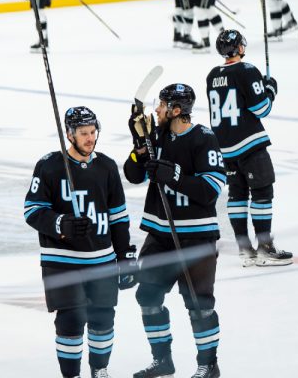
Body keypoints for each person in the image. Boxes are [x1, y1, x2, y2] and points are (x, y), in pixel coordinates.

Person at [24, 106, 137, 378]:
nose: (90, 138)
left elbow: (118, 218)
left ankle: (100, 370)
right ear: (69, 134)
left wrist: (126, 257)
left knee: (103, 319)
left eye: (93, 132)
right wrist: (60, 224)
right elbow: (32, 211)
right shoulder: (49, 165)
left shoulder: (107, 166)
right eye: (83, 133)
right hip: (62, 262)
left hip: (102, 260)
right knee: (71, 321)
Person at [125, 84, 224, 378]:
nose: (157, 110)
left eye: (162, 105)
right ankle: (163, 361)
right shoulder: (158, 136)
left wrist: (175, 175)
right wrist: (140, 146)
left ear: (176, 111)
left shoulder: (204, 139)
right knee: (148, 297)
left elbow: (210, 190)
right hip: (160, 235)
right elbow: (133, 175)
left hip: (197, 237)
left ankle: (208, 365)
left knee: (200, 305)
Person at [205, 29, 292, 266]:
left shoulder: (212, 75)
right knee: (262, 192)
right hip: (249, 144)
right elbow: (262, 108)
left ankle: (245, 249)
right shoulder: (247, 70)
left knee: (237, 195)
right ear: (240, 48)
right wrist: (270, 90)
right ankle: (264, 247)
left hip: (224, 147)